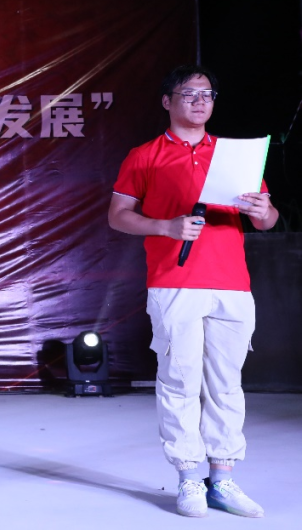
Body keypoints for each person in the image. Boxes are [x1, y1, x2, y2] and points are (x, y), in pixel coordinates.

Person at [108, 65, 278, 519]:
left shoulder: (234, 155)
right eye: (189, 93)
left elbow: (266, 220)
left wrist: (264, 210)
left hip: (232, 284)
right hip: (174, 282)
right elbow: (118, 215)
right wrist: (165, 226)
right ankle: (188, 477)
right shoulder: (144, 156)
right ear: (168, 101)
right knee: (180, 381)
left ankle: (222, 478)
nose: (201, 101)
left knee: (226, 384)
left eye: (208, 94)